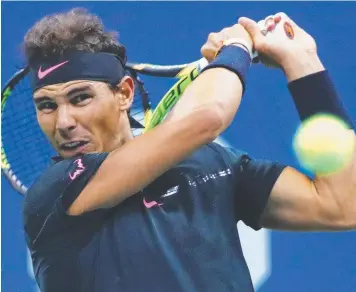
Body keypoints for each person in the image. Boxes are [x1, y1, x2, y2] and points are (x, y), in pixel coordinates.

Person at [22, 8, 355, 292]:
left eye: (80, 98)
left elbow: (343, 206)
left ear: (124, 94)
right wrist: (237, 46)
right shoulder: (55, 194)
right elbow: (207, 116)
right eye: (46, 105)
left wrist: (300, 60)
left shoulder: (211, 164)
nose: (63, 121)